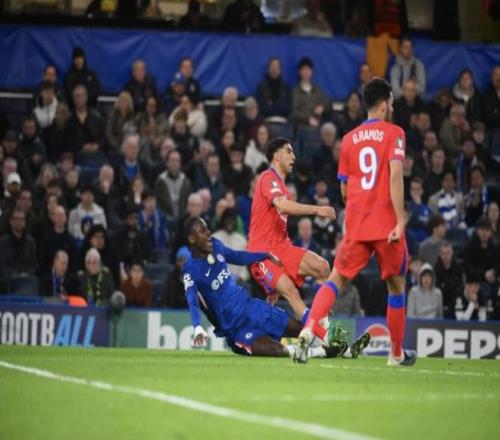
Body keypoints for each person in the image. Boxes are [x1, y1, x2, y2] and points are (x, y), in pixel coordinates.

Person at [296, 78, 417, 366]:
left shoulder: (349, 139)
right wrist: (399, 221)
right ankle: (395, 354)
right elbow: (396, 176)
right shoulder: (395, 133)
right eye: (391, 102)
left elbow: (344, 190)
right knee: (396, 287)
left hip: (357, 224)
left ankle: (308, 329)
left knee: (336, 279)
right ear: (384, 103)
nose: (392, 107)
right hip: (386, 225)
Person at [183, 216, 369, 358]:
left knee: (300, 329)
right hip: (236, 329)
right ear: (192, 238)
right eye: (202, 231)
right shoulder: (190, 271)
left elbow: (238, 257)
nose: (208, 233)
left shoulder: (216, 246)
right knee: (279, 351)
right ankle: (321, 352)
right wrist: (197, 327)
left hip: (253, 308)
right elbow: (192, 300)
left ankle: (346, 350)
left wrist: (264, 255)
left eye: (207, 228)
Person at [247, 137, 335, 322]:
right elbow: (282, 205)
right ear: (276, 156)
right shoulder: (267, 177)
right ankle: (319, 332)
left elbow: (278, 225)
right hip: (262, 252)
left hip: (281, 248)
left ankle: (322, 321)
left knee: (323, 267)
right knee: (291, 292)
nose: (293, 156)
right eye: (288, 151)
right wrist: (317, 209)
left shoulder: (282, 188)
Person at [291, 57, 330, 128]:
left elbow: (328, 103)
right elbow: (294, 112)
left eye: (308, 69)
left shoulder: (318, 89)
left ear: (312, 72)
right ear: (299, 72)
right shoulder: (295, 91)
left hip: (319, 125)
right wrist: (308, 119)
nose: (306, 72)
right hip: (302, 126)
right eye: (304, 69)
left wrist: (322, 107)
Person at [65, 85, 105, 155]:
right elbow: (67, 140)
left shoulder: (96, 116)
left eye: (81, 96)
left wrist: (97, 145)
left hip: (96, 153)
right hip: (76, 154)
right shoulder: (69, 119)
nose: (79, 99)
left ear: (86, 97)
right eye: (76, 96)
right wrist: (82, 146)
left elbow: (103, 137)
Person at [38, 205, 77, 277]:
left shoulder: (71, 240)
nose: (60, 218)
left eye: (62, 215)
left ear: (66, 218)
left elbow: (73, 264)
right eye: (57, 215)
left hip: (67, 277)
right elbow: (42, 262)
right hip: (49, 277)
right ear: (53, 218)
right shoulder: (45, 239)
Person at [213, 208, 250, 282]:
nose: (230, 222)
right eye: (227, 220)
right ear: (223, 221)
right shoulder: (215, 238)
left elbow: (244, 267)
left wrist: (240, 278)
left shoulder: (242, 240)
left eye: (232, 220)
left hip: (238, 282)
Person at [154, 150, 192, 219]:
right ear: (167, 163)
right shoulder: (160, 181)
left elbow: (189, 202)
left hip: (183, 219)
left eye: (177, 160)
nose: (175, 163)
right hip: (165, 219)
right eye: (172, 160)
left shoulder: (186, 182)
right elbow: (157, 203)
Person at [0, 208, 37, 278]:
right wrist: (16, 276)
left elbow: (33, 265)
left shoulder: (30, 241)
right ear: (11, 222)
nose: (19, 222)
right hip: (8, 279)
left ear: (25, 222)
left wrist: (26, 274)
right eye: (16, 219)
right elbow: (2, 265)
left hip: (27, 278)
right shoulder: (3, 242)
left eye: (22, 219)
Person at [434, 241, 464, 319]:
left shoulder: (458, 267)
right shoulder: (436, 269)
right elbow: (437, 290)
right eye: (443, 253)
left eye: (448, 253)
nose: (446, 256)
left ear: (452, 253)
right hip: (441, 303)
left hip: (456, 303)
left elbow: (460, 287)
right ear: (440, 254)